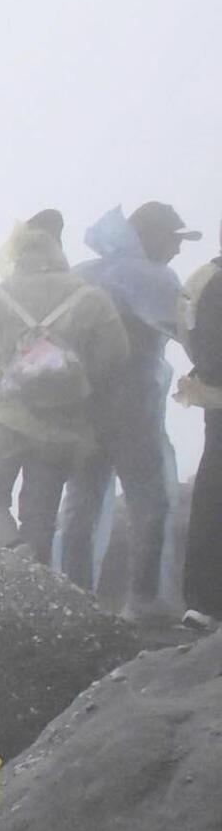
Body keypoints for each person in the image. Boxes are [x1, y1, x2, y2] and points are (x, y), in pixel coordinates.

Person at [0, 211, 129, 563]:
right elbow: (114, 362)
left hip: (2, 421)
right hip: (62, 426)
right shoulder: (92, 299)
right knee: (40, 517)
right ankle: (39, 584)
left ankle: (12, 553)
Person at [57, 202, 198, 617]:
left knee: (81, 503)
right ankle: (144, 598)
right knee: (150, 499)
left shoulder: (80, 274)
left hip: (80, 409)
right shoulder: (150, 276)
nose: (175, 250)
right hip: (132, 410)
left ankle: (72, 599)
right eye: (172, 239)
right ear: (149, 236)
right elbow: (187, 330)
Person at [178, 238, 222, 631]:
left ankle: (202, 603)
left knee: (212, 495)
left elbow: (187, 333)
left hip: (215, 399)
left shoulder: (203, 279)